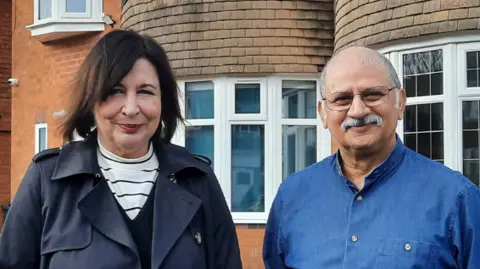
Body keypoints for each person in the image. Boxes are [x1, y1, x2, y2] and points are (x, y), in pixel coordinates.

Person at [0, 29, 243, 269]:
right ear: (92, 97)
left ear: (163, 101)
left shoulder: (198, 180)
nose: (130, 108)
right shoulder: (47, 181)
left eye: (145, 91)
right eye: (116, 91)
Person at [263, 46, 480, 269]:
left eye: (373, 94)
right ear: (323, 113)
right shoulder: (291, 197)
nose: (357, 111)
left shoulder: (457, 199)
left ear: (400, 102)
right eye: (342, 99)